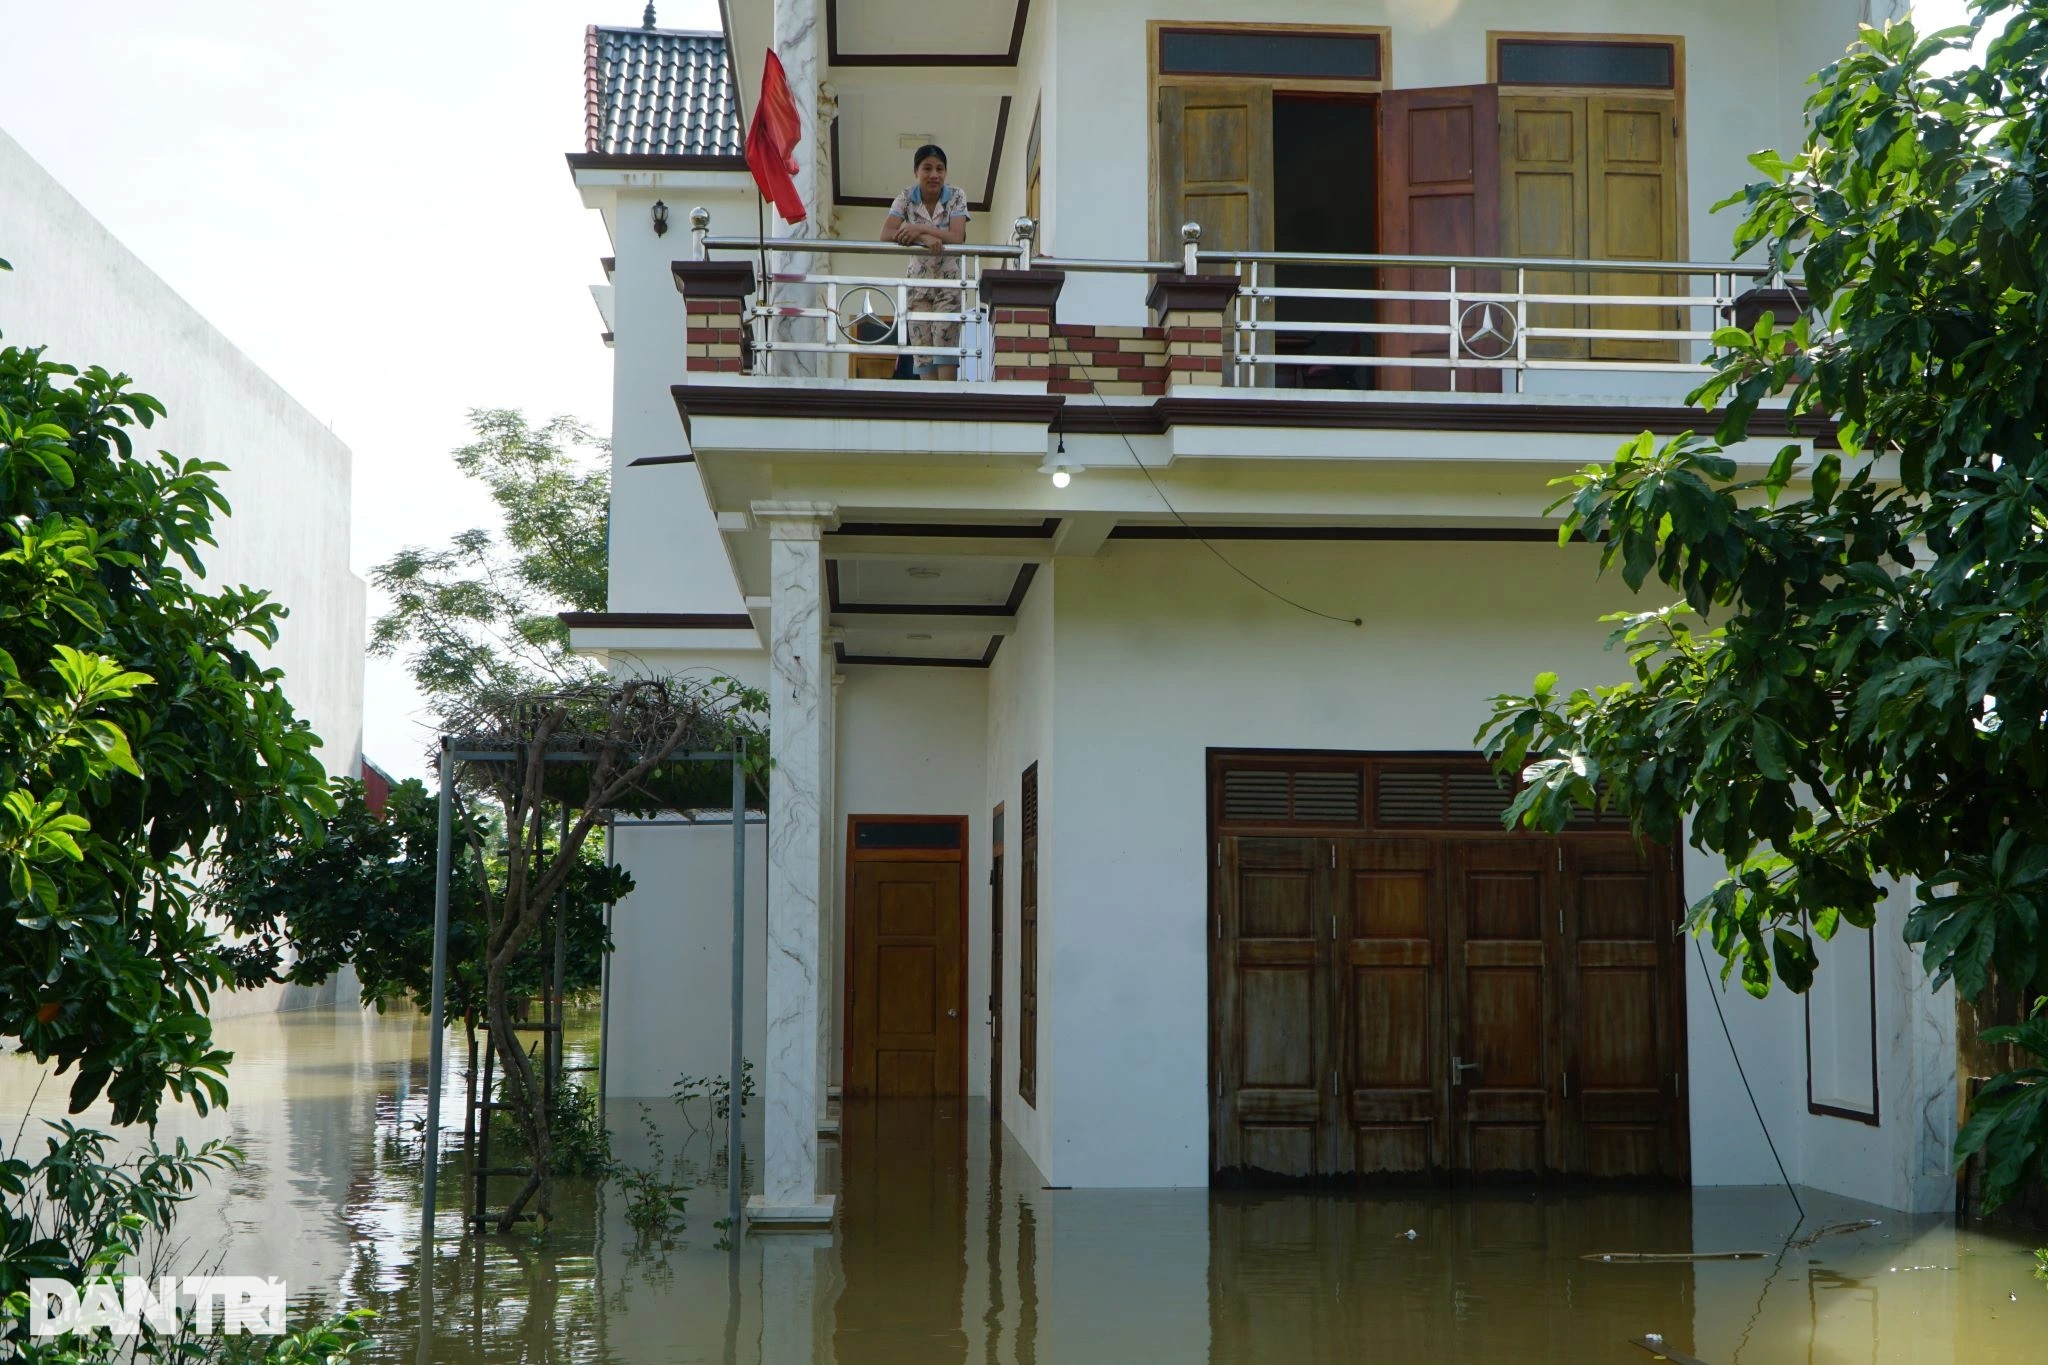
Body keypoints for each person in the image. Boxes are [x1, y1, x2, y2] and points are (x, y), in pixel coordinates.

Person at [881, 144, 970, 380]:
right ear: (916, 171)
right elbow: (886, 233)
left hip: (949, 283)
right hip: (918, 285)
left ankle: (947, 403)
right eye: (927, 168)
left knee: (945, 340)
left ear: (945, 173)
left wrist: (917, 228)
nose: (934, 175)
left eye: (940, 169)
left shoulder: (957, 195)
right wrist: (923, 238)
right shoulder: (906, 197)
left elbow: (957, 237)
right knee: (923, 348)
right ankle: (932, 406)